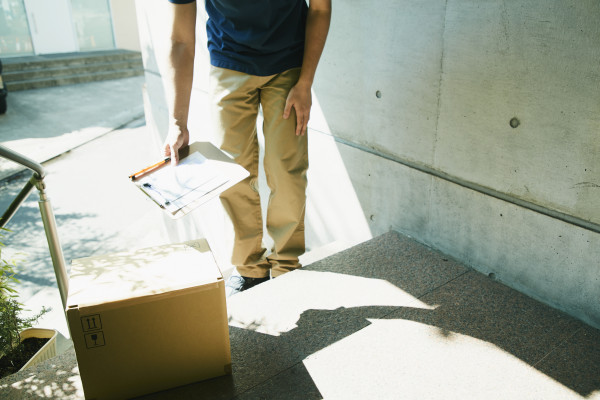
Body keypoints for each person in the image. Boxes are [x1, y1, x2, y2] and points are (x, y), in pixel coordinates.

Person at [163, 0, 332, 296]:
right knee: (230, 173)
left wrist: (305, 83)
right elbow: (180, 40)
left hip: (288, 62)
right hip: (228, 62)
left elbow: (320, 8)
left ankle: (286, 267)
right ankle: (249, 270)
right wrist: (178, 122)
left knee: (287, 170)